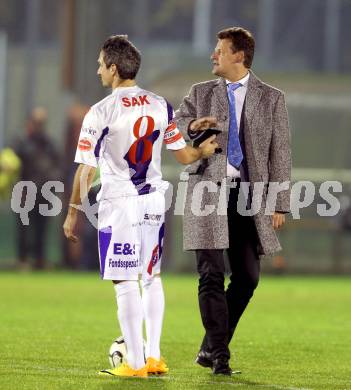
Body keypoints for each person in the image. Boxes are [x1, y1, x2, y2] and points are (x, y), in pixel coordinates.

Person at [63, 35, 218, 378]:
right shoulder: (159, 104)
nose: (98, 69)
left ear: (114, 68)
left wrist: (73, 210)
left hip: (119, 203)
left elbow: (87, 168)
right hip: (152, 202)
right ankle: (153, 357)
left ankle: (133, 363)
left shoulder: (102, 110)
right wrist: (202, 152)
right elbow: (183, 154)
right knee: (151, 277)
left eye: (101, 64)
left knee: (123, 280)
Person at [174, 27, 291, 375]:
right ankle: (220, 357)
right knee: (210, 274)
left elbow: (280, 152)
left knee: (248, 278)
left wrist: (279, 201)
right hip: (206, 193)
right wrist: (193, 123)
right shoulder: (200, 92)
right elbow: (174, 127)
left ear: (239, 56)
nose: (214, 55)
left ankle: (210, 347)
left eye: (220, 50)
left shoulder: (272, 98)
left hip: (248, 197)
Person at [14, 107, 61, 270]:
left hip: (45, 192)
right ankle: (23, 260)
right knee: (24, 227)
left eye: (42, 122)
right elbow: (13, 163)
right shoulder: (21, 142)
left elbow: (58, 165)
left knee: (42, 228)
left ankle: (40, 260)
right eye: (36, 122)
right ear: (30, 122)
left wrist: (53, 179)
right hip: (25, 191)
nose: (39, 125)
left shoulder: (49, 144)